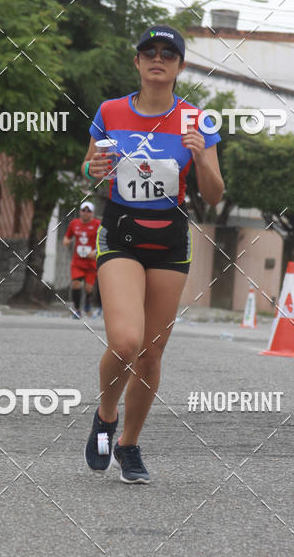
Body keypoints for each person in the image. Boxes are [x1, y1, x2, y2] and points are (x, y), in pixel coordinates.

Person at [81, 24, 224, 484]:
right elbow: (90, 166)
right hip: (120, 234)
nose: (158, 59)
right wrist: (92, 167)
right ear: (138, 62)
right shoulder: (110, 111)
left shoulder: (197, 120)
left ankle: (129, 445)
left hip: (169, 240)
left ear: (180, 66)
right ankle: (106, 417)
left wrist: (200, 158)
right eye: (149, 52)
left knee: (150, 353)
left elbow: (214, 194)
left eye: (168, 53)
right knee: (126, 342)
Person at [62, 201, 101, 318]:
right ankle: (77, 310)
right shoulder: (74, 223)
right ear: (80, 211)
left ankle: (88, 302)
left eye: (88, 211)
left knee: (89, 288)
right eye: (84, 210)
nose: (86, 213)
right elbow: (67, 236)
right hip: (77, 261)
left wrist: (95, 252)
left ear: (92, 213)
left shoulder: (98, 224)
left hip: (91, 262)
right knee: (76, 284)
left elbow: (103, 241)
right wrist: (66, 241)